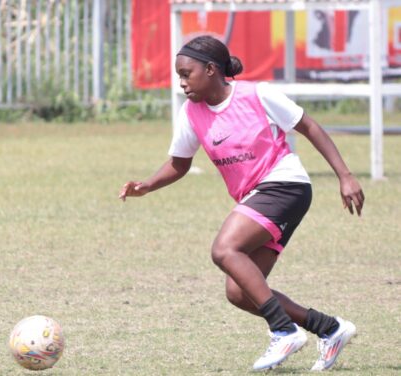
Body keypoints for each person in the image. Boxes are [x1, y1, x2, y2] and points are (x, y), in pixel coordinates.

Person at [119, 35, 364, 372]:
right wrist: (146, 185)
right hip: (258, 197)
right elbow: (179, 164)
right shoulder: (191, 113)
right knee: (240, 292)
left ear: (210, 69)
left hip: (285, 184)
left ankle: (283, 331)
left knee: (224, 249)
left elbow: (308, 126)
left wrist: (345, 175)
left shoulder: (256, 94)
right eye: (179, 75)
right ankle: (329, 328)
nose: (181, 82)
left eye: (186, 73)